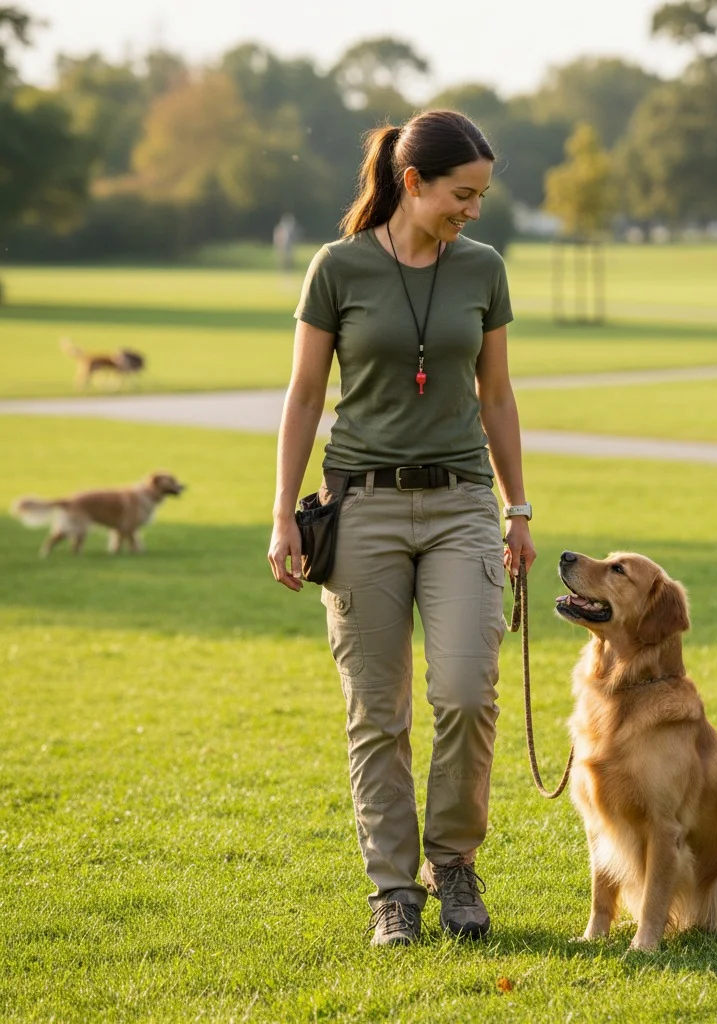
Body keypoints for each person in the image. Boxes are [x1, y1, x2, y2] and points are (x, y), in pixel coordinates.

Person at [267, 110, 536, 947]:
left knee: (466, 692)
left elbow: (495, 396)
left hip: (461, 502)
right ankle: (393, 891)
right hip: (363, 508)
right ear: (412, 183)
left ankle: (451, 865)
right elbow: (306, 395)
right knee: (376, 713)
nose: (475, 210)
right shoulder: (337, 267)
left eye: (483, 194)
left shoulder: (482, 269)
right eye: (463, 193)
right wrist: (283, 512)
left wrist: (517, 508)